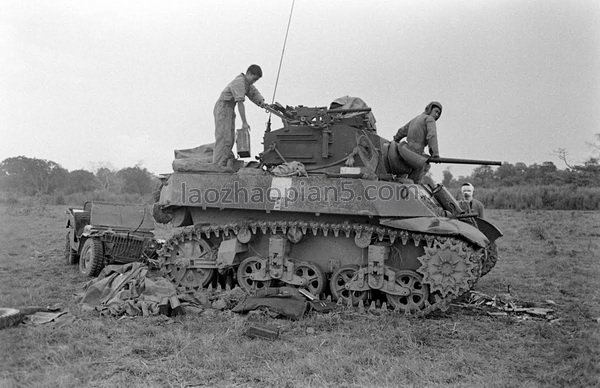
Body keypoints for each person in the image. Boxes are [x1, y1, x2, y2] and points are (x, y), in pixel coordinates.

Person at [213, 65, 266, 168]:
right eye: (254, 79)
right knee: (224, 138)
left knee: (230, 139)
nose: (254, 82)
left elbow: (253, 93)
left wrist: (262, 103)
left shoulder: (246, 83)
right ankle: (218, 167)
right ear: (249, 73)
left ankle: (222, 163)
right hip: (223, 108)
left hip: (229, 109)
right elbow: (240, 103)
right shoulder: (239, 82)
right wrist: (244, 122)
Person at [392, 101, 442, 183]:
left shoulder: (415, 119)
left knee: (405, 173)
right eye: (436, 111)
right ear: (429, 109)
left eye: (439, 114)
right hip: (416, 152)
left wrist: (395, 140)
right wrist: (435, 154)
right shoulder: (429, 119)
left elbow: (402, 131)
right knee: (425, 165)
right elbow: (432, 136)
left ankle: (404, 183)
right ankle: (412, 188)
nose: (437, 115)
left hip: (405, 150)